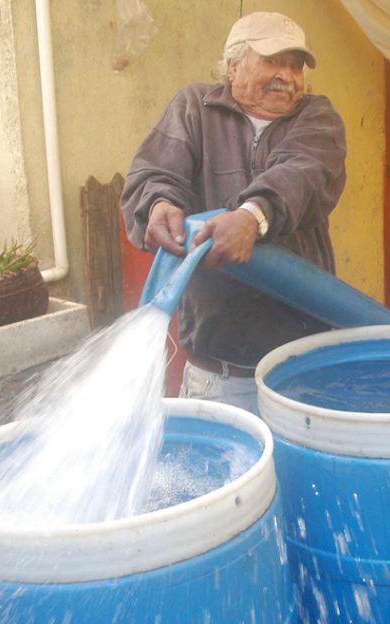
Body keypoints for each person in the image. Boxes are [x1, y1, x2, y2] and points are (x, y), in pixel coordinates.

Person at [121, 11, 347, 413]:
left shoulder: (317, 116)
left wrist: (253, 216)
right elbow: (153, 173)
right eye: (273, 61)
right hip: (219, 374)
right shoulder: (194, 107)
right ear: (233, 67)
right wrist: (158, 204)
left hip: (304, 368)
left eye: (296, 66)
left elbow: (304, 172)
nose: (288, 76)